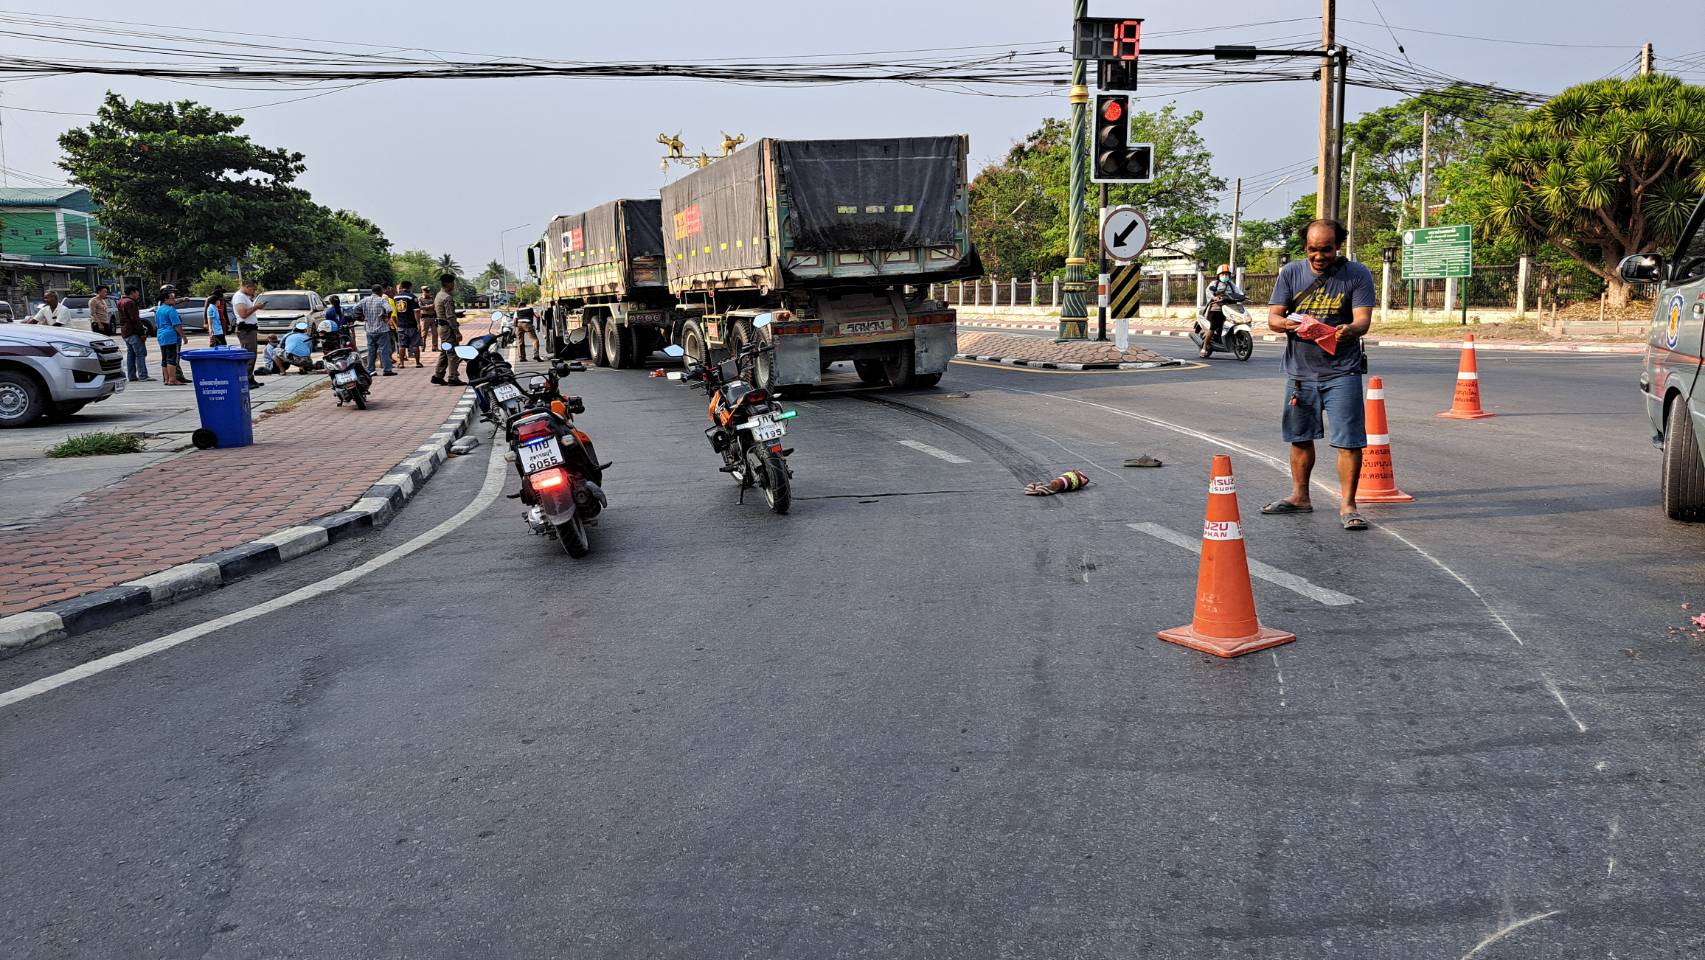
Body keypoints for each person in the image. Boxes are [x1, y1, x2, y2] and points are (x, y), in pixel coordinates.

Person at [1261, 218, 1377, 532]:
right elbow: (1273, 317)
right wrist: (1292, 324)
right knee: (1300, 438)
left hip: (1343, 371)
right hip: (1300, 372)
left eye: (1326, 249)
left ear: (1337, 246)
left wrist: (1348, 330)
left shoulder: (1357, 274)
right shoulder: (1291, 273)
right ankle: (1300, 497)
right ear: (1305, 247)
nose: (1319, 256)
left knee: (1349, 442)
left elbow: (1363, 321)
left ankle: (1348, 505)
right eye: (1313, 250)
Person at [1201, 264, 1246, 358]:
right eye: (1223, 274)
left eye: (1227, 274)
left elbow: (1238, 291)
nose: (1225, 276)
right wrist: (1214, 297)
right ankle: (1204, 347)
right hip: (1216, 308)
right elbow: (1208, 291)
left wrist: (1243, 296)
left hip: (1229, 308)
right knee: (1214, 326)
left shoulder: (1231, 284)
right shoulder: (1214, 283)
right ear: (1219, 275)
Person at [431, 273, 464, 386]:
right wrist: (457, 332)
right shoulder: (447, 297)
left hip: (441, 327)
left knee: (445, 352)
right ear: (449, 284)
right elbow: (450, 316)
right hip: (448, 329)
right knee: (452, 353)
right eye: (453, 283)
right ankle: (453, 377)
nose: (453, 285)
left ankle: (438, 375)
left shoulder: (438, 295)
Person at [231, 278, 264, 388]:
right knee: (248, 355)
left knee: (252, 354)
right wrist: (256, 307)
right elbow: (243, 314)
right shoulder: (239, 297)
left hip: (250, 329)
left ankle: (250, 378)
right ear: (247, 286)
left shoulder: (245, 297)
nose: (253, 291)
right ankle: (246, 380)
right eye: (253, 289)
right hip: (246, 329)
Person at [359, 283, 396, 376]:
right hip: (382, 330)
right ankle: (387, 370)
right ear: (380, 291)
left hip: (370, 330)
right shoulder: (382, 300)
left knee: (371, 351)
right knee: (384, 350)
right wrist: (387, 318)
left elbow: (355, 309)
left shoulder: (364, 300)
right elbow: (390, 309)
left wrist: (361, 317)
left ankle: (371, 370)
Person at [154, 286, 188, 386]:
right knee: (172, 358)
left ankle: (166, 379)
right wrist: (184, 336)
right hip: (170, 335)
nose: (174, 300)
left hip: (161, 335)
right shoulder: (170, 310)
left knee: (164, 358)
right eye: (172, 298)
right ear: (166, 299)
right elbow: (177, 325)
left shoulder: (159, 310)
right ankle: (172, 379)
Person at [117, 285, 151, 382]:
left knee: (131, 354)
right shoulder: (130, 302)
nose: (138, 294)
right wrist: (141, 333)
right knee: (140, 354)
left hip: (125, 331)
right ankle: (143, 375)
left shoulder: (120, 302)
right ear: (133, 292)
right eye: (137, 292)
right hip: (133, 332)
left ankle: (131, 375)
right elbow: (135, 319)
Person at [393, 280, 424, 368]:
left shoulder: (395, 297)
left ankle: (402, 363)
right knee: (415, 344)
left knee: (402, 345)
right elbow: (416, 312)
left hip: (401, 325)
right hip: (411, 324)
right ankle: (417, 363)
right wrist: (418, 323)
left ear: (402, 287)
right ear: (410, 287)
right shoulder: (412, 297)